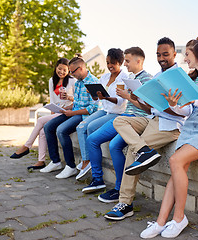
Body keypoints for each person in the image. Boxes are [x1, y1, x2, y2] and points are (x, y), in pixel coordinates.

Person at [139, 36, 198, 238]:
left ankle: (179, 218)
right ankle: (161, 221)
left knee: (175, 160)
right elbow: (187, 111)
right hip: (189, 128)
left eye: (187, 55)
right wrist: (173, 104)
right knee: (176, 170)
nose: (185, 60)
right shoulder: (192, 77)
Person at [104, 37, 191, 220]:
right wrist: (139, 99)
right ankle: (144, 150)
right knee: (119, 121)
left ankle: (125, 203)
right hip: (153, 119)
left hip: (170, 125)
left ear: (175, 54)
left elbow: (185, 113)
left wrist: (169, 105)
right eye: (158, 54)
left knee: (130, 152)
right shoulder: (157, 77)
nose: (161, 58)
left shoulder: (181, 77)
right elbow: (149, 109)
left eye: (165, 54)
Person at [81, 47, 153, 204]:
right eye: (125, 61)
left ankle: (118, 188)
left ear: (138, 61)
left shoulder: (146, 79)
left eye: (127, 61)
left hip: (134, 119)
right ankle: (99, 180)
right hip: (125, 117)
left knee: (112, 145)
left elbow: (148, 108)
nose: (125, 64)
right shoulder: (131, 78)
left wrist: (128, 97)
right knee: (92, 139)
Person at [10, 58, 76, 170]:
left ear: (68, 70)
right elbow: (52, 100)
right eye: (59, 69)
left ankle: (27, 146)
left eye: (65, 70)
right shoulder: (52, 81)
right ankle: (41, 161)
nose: (61, 72)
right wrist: (52, 113)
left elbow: (78, 101)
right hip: (57, 112)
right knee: (42, 131)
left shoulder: (72, 81)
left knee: (40, 120)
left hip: (68, 112)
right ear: (56, 67)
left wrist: (69, 97)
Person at [41, 56, 99, 179]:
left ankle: (70, 166)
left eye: (72, 71)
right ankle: (55, 162)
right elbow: (77, 103)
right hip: (74, 112)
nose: (71, 74)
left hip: (83, 115)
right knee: (48, 126)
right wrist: (67, 109)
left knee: (61, 130)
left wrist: (72, 113)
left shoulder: (93, 82)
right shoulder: (78, 82)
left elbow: (92, 108)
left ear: (81, 68)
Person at [75, 48, 128, 180]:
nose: (110, 66)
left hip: (117, 113)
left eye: (113, 63)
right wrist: (94, 94)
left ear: (120, 62)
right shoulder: (104, 77)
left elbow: (120, 102)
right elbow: (97, 99)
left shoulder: (124, 78)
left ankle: (94, 167)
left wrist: (105, 97)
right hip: (104, 110)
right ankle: (88, 159)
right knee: (83, 126)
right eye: (108, 63)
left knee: (92, 127)